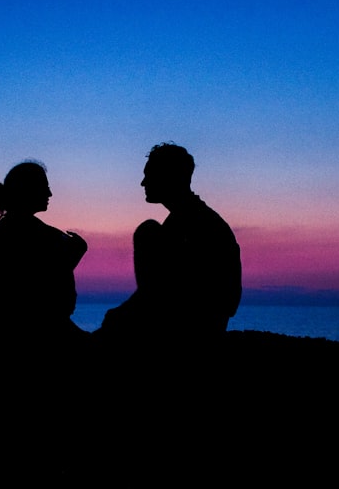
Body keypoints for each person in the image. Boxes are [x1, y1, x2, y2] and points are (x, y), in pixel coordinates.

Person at [94, 142, 242, 346]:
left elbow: (162, 288)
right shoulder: (185, 220)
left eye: (149, 175)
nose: (143, 183)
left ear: (169, 177)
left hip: (192, 328)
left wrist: (123, 314)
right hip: (196, 322)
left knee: (147, 230)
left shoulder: (197, 223)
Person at [0, 160, 89, 348]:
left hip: (2, 335)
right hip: (18, 340)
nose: (50, 193)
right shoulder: (27, 233)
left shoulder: (10, 231)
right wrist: (72, 255)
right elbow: (42, 298)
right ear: (28, 190)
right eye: (45, 187)